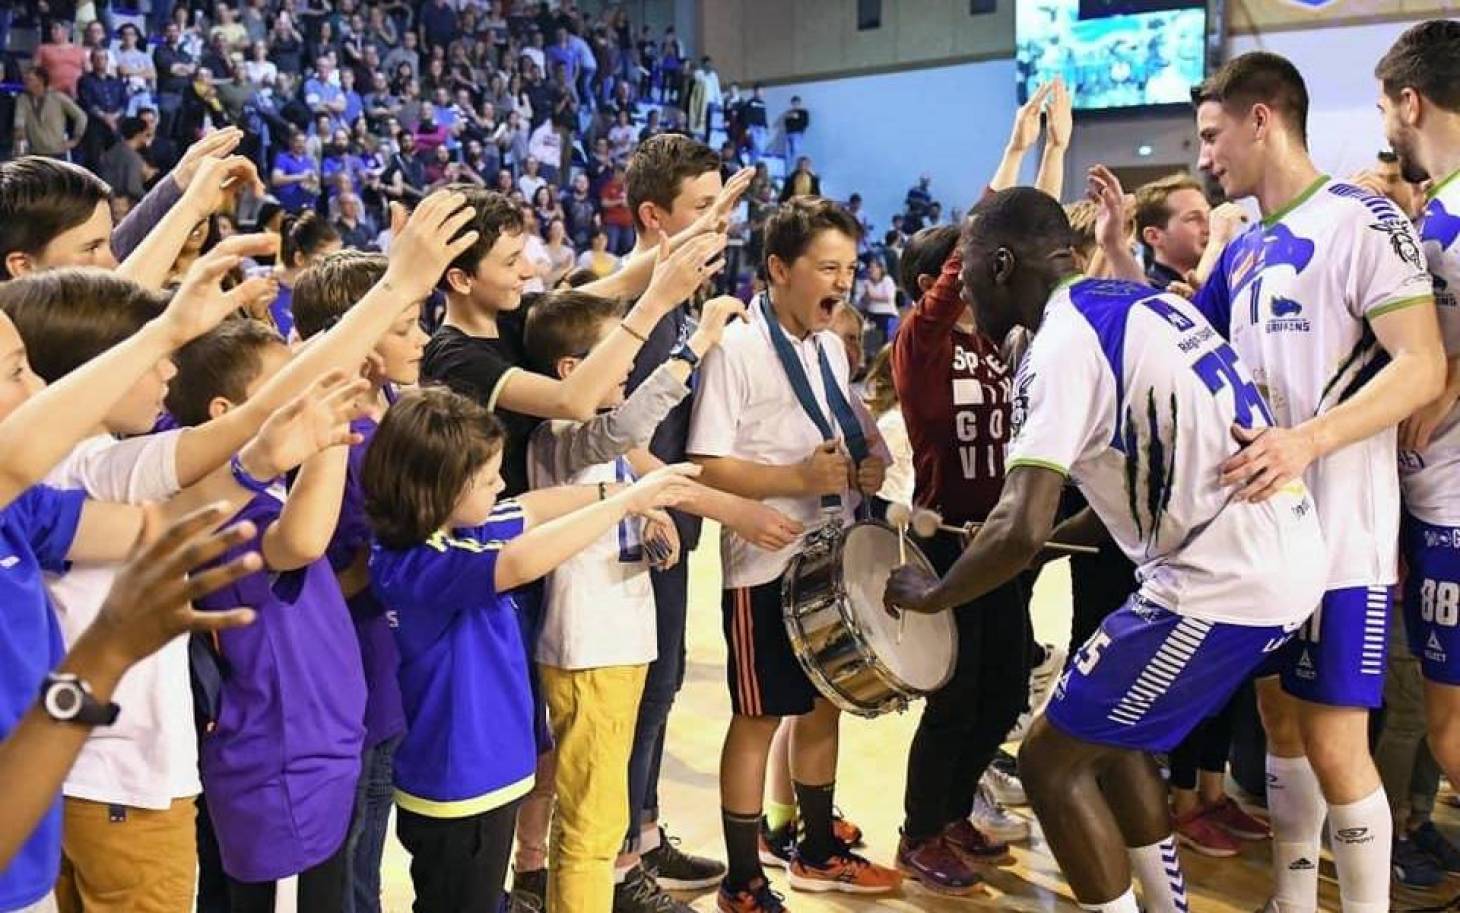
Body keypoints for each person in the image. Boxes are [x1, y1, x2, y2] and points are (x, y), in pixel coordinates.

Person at [886, 186, 1328, 913]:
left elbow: (1018, 523)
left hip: (1222, 578)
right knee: (1106, 731)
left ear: (1001, 265)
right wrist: (1047, 544)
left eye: (967, 281)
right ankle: (1164, 901)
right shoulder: (1141, 302)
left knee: (1049, 761)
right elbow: (1122, 485)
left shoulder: (1060, 342)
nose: (966, 297)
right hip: (1276, 549)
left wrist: (933, 594)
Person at [1111, 50, 1442, 913]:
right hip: (1262, 543)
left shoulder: (1361, 220)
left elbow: (1421, 364)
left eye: (1214, 135)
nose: (1207, 155)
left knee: (1336, 742)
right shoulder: (1245, 246)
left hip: (1341, 537)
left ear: (1264, 120)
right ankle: (1296, 899)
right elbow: (1172, 336)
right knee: (1280, 726)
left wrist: (1306, 441)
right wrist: (1115, 254)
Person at [364, 386, 700, 913]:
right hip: (458, 788)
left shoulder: (458, 529)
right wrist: (625, 504)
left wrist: (616, 491)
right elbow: (521, 560)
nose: (500, 487)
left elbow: (530, 508)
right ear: (442, 486)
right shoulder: (417, 564)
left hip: (489, 777)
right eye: (488, 479)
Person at [688, 196, 902, 911]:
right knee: (757, 719)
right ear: (778, 268)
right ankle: (742, 877)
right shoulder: (738, 347)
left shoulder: (826, 346)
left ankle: (814, 849)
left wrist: (860, 470)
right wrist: (794, 480)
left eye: (848, 267)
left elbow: (835, 436)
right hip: (763, 566)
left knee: (823, 708)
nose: (841, 281)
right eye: (826, 267)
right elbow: (706, 463)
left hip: (827, 560)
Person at [522, 291, 750, 912]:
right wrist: (695, 343)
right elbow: (630, 425)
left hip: (616, 643)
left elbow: (610, 502)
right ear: (570, 371)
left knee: (599, 817)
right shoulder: (563, 433)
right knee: (591, 827)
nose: (627, 365)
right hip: (588, 648)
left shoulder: (593, 441)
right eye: (614, 353)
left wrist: (648, 528)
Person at [0, 504, 259, 874]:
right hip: (117, 786)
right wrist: (107, 653)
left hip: (56, 797)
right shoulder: (79, 470)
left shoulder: (27, 504)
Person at [1375, 14, 1460, 893]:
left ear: (1412, 101)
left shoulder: (1447, 222)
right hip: (1433, 503)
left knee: (1447, 723)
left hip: (1448, 510)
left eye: (1383, 106)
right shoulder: (1438, 211)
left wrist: (1439, 381)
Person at [1132, 173, 1210, 293]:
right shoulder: (1151, 293)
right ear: (1154, 236)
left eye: (1209, 215)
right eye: (1193, 218)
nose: (1209, 227)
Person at [14, 67, 88, 160]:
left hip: (57, 152)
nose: (26, 82)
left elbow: (81, 116)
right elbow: (19, 119)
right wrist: (20, 133)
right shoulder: (23, 100)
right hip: (35, 153)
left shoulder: (58, 98)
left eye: (30, 79)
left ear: (40, 80)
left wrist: (75, 139)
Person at [857, 257, 897, 344]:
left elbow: (888, 297)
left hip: (886, 315)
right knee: (870, 343)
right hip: (871, 315)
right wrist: (866, 295)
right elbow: (863, 303)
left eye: (874, 267)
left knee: (884, 341)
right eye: (870, 268)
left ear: (880, 269)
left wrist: (870, 292)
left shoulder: (887, 280)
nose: (871, 270)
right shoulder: (867, 282)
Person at [780, 96, 808, 163]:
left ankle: (796, 168)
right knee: (787, 154)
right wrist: (789, 117)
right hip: (788, 134)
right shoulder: (789, 113)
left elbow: (805, 123)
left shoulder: (803, 112)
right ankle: (789, 169)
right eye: (793, 103)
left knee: (796, 152)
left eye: (796, 103)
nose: (795, 105)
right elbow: (785, 123)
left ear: (799, 103)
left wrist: (798, 118)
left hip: (797, 134)